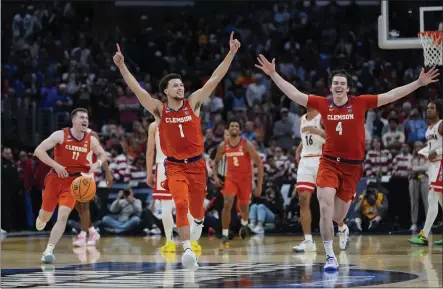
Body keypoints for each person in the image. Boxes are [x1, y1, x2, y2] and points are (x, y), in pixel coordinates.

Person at [255, 54, 439, 270]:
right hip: (329, 162)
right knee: (324, 206)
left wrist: (418, 83)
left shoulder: (360, 103)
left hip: (352, 167)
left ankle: (342, 227)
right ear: (331, 88)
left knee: (337, 215)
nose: (339, 86)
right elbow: (294, 94)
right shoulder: (322, 104)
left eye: (342, 83)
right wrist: (273, 74)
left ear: (348, 88)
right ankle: (330, 256)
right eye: (335, 83)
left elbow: (390, 95)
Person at [114, 32, 240, 270]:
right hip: (173, 165)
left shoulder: (193, 103)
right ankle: (187, 249)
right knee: (179, 205)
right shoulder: (159, 110)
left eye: (181, 84)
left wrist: (231, 53)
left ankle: (197, 227)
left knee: (196, 211)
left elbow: (215, 78)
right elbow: (137, 89)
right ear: (166, 91)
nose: (180, 87)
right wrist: (122, 66)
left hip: (196, 165)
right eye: (175, 85)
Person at [34, 108, 107, 263]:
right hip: (55, 178)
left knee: (63, 216)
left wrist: (97, 164)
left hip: (73, 183)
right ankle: (42, 215)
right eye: (81, 117)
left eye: (86, 118)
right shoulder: (60, 135)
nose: (85, 120)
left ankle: (48, 250)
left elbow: (102, 154)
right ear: (74, 120)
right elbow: (38, 151)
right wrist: (57, 165)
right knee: (44, 218)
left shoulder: (91, 140)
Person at [146, 122, 202, 253]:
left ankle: (170, 242)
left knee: (166, 206)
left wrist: (149, 173)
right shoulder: (182, 120)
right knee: (186, 205)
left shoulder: (154, 125)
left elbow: (150, 152)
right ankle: (192, 242)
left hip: (162, 166)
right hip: (181, 165)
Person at [212, 119, 263, 249]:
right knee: (227, 203)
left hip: (245, 180)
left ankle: (245, 224)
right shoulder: (223, 146)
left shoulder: (246, 144)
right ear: (228, 130)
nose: (234, 127)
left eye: (237, 125)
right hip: (231, 179)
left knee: (244, 208)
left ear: (240, 130)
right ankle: (224, 233)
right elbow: (215, 162)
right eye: (232, 125)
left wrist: (259, 186)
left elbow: (259, 164)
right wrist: (216, 177)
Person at [409, 100, 443, 246]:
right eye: (427, 108)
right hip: (433, 166)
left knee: (432, 199)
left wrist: (437, 152)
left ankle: (423, 235)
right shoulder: (429, 128)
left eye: (432, 108)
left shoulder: (441, 125)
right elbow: (433, 147)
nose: (428, 110)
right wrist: (426, 152)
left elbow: (437, 149)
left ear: (438, 110)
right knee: (439, 201)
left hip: (440, 165)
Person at [292, 108, 326, 253]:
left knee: (326, 200)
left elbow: (332, 137)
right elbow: (305, 138)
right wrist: (299, 149)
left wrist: (316, 131)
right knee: (303, 199)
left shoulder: (322, 117)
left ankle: (342, 227)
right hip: (306, 161)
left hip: (321, 159)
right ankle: (308, 240)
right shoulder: (301, 120)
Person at [72, 128, 113, 247]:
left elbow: (101, 154)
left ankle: (83, 235)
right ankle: (93, 231)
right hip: (74, 173)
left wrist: (108, 173)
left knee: (84, 206)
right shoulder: (69, 135)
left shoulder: (92, 134)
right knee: (77, 206)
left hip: (87, 173)